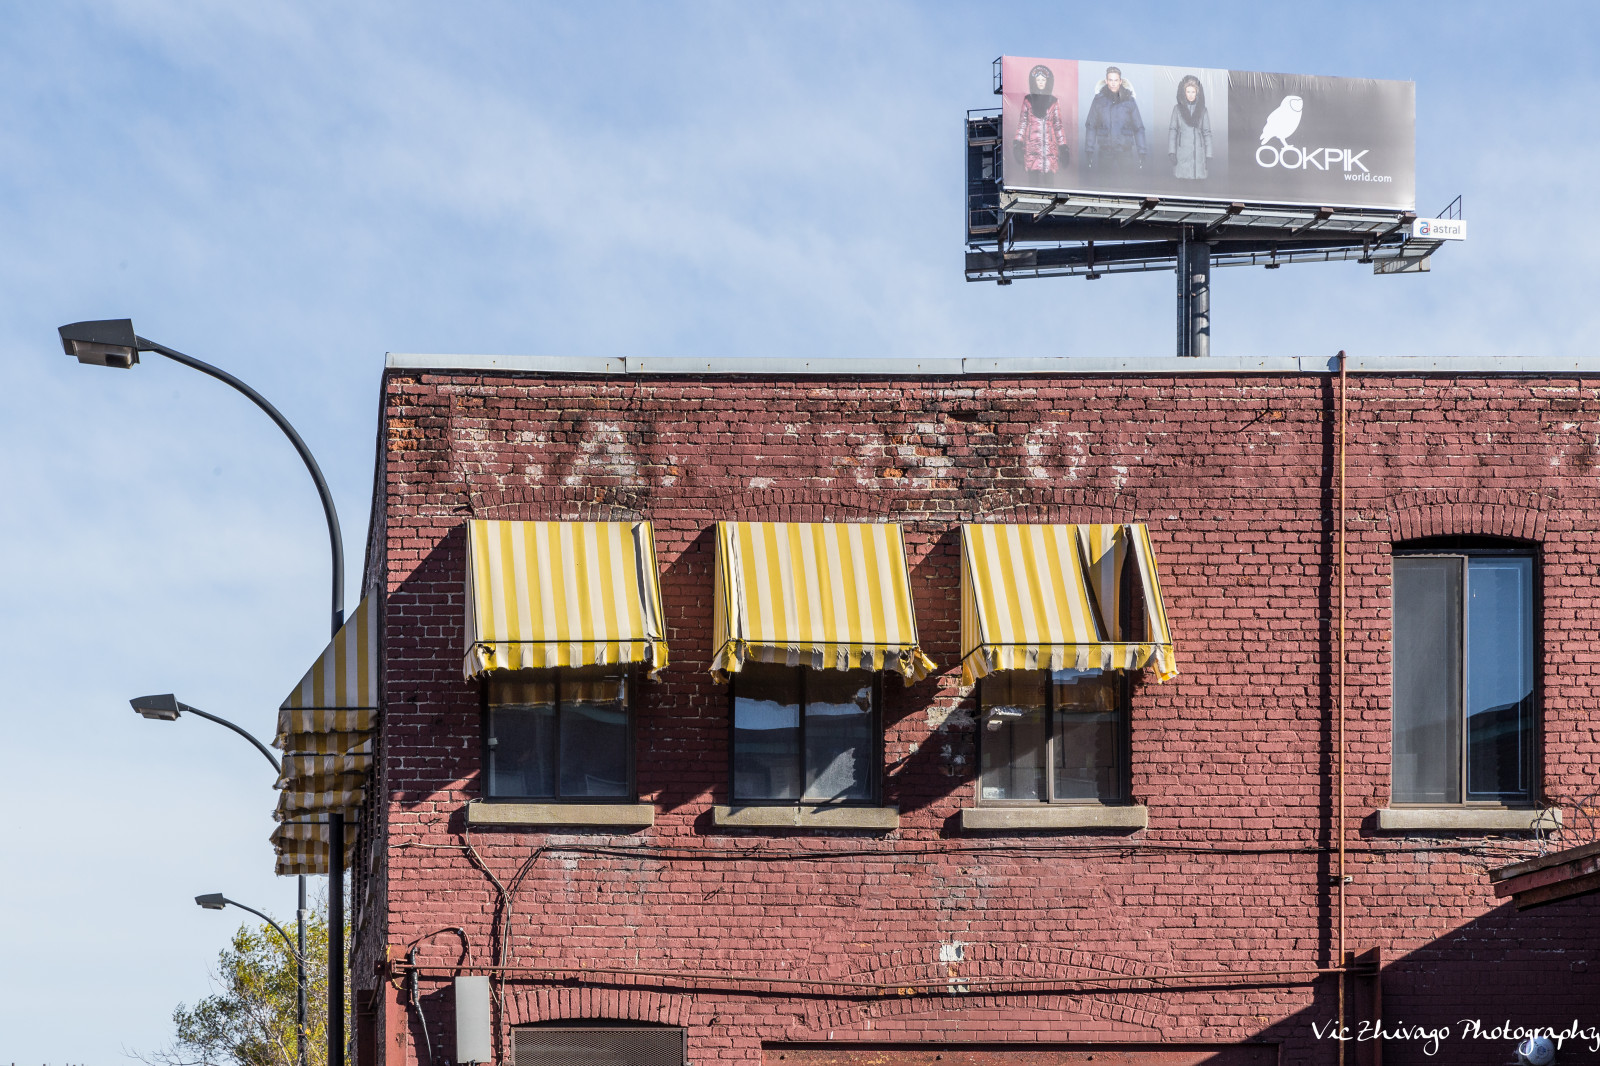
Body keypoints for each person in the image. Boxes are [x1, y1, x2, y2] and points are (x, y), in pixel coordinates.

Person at [1083, 66, 1146, 179]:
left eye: (1116, 80)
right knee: (1104, 184)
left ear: (1120, 81)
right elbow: (1091, 125)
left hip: (1125, 150)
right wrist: (1089, 149)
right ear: (1106, 81)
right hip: (1105, 150)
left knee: (1128, 183)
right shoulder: (1098, 100)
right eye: (1110, 80)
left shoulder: (1129, 100)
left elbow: (1138, 127)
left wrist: (1142, 150)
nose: (1113, 83)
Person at [1011, 64, 1069, 182]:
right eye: (1038, 80)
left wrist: (1063, 147)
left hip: (1049, 147)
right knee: (1033, 182)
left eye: (1043, 80)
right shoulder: (1028, 100)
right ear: (1034, 81)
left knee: (1050, 182)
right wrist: (1017, 142)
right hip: (1032, 146)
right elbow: (1023, 122)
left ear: (1048, 81)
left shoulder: (1053, 101)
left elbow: (1058, 125)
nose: (1041, 82)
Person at [1167, 74, 1212, 180]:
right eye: (1188, 91)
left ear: (1197, 93)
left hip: (1198, 154)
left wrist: (1209, 155)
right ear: (1184, 93)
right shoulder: (1177, 109)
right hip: (1182, 152)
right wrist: (1171, 152)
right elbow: (1173, 130)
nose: (1191, 95)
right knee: (1182, 186)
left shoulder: (1203, 110)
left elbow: (1207, 133)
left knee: (1198, 189)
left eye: (1193, 92)